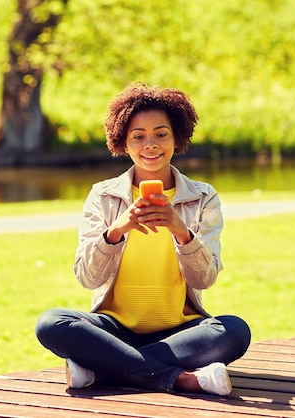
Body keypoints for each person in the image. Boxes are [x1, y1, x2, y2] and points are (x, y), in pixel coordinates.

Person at [35, 82, 250, 395]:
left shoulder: (203, 197)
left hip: (181, 331)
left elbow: (204, 278)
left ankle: (104, 369)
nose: (151, 144)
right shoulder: (103, 196)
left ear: (177, 137)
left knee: (234, 331)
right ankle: (180, 378)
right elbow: (87, 276)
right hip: (114, 330)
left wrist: (181, 231)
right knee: (51, 323)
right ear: (124, 141)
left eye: (161, 134)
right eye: (139, 136)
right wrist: (116, 231)